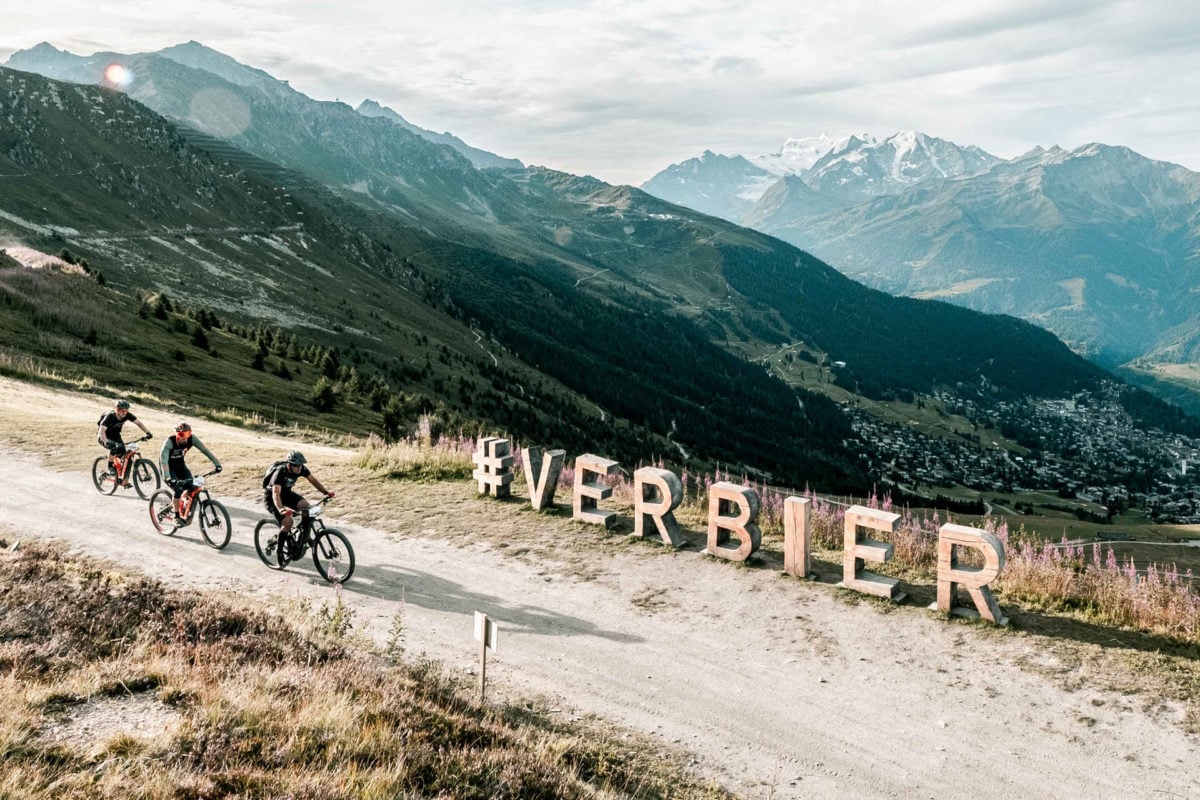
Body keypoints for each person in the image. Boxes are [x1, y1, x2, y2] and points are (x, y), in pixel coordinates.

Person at [263, 451, 334, 553]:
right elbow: (276, 494)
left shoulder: (301, 469)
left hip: (286, 494)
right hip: (271, 499)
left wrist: (325, 492)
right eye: (296, 466)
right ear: (289, 465)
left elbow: (313, 480)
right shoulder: (279, 472)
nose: (299, 468)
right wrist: (281, 509)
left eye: (300, 465)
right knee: (288, 523)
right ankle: (279, 553)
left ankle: (304, 538)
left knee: (306, 508)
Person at [160, 421, 222, 521]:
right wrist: (168, 477)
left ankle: (179, 506)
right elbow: (163, 461)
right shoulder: (169, 442)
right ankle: (176, 516)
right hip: (168, 468)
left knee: (192, 486)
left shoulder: (192, 439)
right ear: (176, 433)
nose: (184, 438)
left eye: (187, 434)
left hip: (180, 465)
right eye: (181, 435)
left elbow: (205, 450)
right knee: (178, 489)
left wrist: (217, 463)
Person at [97, 399, 152, 486]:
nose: (124, 412)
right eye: (121, 410)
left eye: (126, 410)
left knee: (125, 455)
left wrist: (147, 432)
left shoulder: (127, 415)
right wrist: (106, 441)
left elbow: (139, 423)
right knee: (114, 447)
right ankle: (110, 468)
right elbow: (101, 430)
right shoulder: (110, 416)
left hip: (115, 435)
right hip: (104, 436)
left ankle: (123, 480)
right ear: (116, 410)